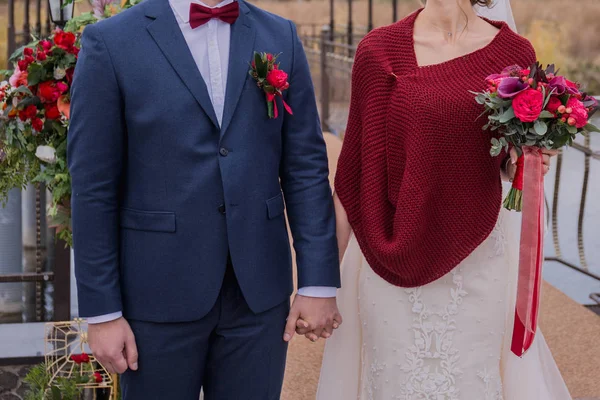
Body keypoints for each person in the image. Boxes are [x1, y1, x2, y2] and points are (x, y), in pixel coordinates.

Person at [67, 0, 342, 397]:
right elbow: (93, 187)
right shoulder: (111, 42)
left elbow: (305, 168)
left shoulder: (279, 35)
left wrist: (317, 283)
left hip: (259, 297)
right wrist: (103, 312)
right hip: (156, 295)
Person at [315, 0, 573, 398]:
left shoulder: (515, 54)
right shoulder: (377, 51)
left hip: (479, 259)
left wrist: (531, 157)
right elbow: (353, 173)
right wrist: (321, 286)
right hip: (390, 265)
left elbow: (504, 163)